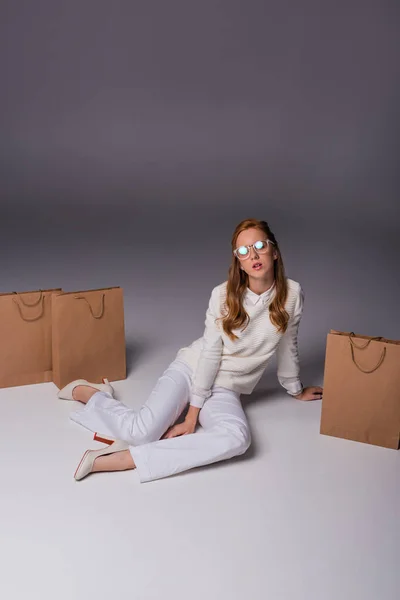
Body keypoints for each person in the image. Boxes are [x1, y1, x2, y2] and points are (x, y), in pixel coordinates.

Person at [59, 218, 323, 483]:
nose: (253, 255)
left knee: (237, 437)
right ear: (238, 262)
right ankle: (95, 395)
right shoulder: (223, 295)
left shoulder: (292, 294)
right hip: (192, 369)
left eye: (259, 245)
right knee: (141, 431)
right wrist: (191, 416)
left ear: (274, 251)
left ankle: (131, 458)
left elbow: (288, 343)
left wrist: (295, 389)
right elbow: (209, 355)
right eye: (243, 251)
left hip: (226, 387)